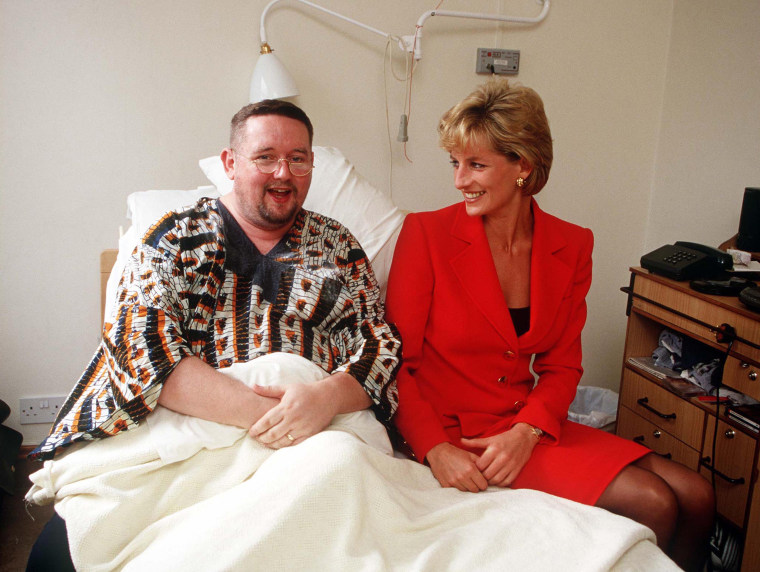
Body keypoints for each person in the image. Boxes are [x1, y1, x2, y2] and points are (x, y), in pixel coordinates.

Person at [27, 99, 400, 570]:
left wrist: (325, 398)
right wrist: (270, 417)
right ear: (230, 163)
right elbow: (141, 345)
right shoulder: (176, 238)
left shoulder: (337, 246)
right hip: (199, 427)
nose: (283, 172)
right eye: (265, 157)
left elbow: (379, 345)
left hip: (319, 434)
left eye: (298, 158)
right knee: (60, 557)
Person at [384, 79, 714, 572]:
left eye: (476, 164)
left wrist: (527, 430)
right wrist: (434, 449)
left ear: (523, 166)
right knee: (655, 501)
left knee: (699, 494)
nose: (459, 180)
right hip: (460, 436)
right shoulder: (425, 234)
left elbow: (562, 366)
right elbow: (396, 363)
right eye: (455, 163)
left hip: (524, 423)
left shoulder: (572, 244)